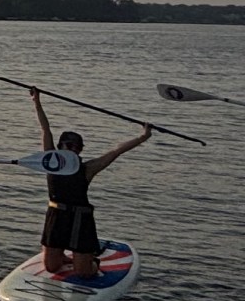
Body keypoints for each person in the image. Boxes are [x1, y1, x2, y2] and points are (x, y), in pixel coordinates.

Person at [28, 89, 152, 280]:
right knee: (52, 268)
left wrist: (142, 137)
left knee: (83, 272)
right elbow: (46, 129)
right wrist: (37, 101)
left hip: (80, 219)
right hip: (57, 216)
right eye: (70, 146)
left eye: (78, 148)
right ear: (61, 147)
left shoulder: (88, 169)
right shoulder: (51, 160)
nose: (74, 151)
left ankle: (93, 261)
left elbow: (116, 151)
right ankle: (60, 255)